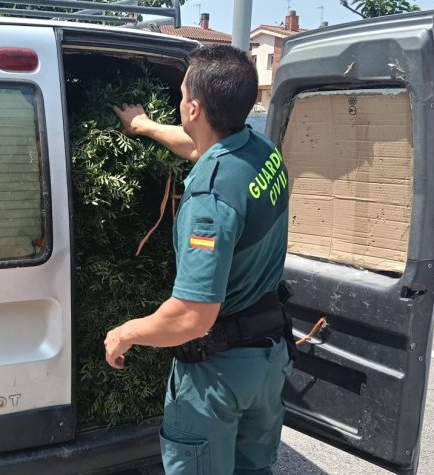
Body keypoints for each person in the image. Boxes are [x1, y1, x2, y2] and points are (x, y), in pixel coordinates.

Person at [104, 44, 292, 475]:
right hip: (267, 361)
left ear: (193, 107)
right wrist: (145, 126)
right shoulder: (260, 152)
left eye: (182, 92)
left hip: (219, 377)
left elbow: (193, 315)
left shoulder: (209, 200)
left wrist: (125, 333)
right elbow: (197, 149)